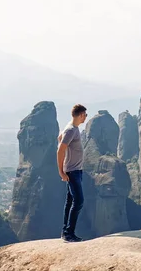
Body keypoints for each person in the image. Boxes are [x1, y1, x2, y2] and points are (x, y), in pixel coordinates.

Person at [57, 104, 87, 242]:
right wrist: (61, 172)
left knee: (70, 202)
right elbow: (60, 150)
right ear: (80, 115)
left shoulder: (71, 128)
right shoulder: (71, 130)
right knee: (79, 201)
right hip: (72, 171)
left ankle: (65, 231)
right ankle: (69, 233)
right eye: (85, 115)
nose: (86, 117)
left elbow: (60, 138)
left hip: (76, 170)